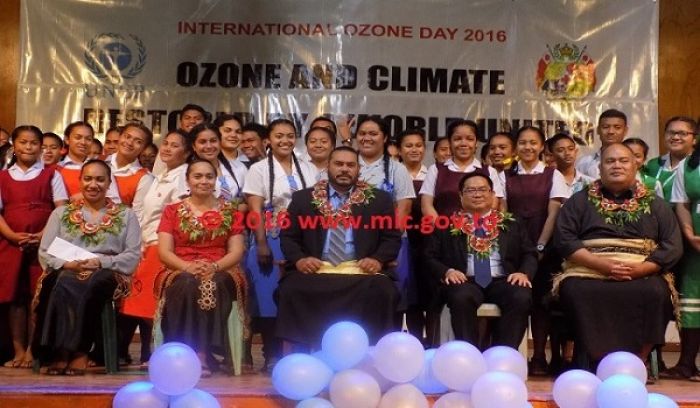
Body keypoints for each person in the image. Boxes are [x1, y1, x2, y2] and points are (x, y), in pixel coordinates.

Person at [554, 143, 682, 365]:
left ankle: (636, 361)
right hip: (589, 270)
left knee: (657, 292)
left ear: (635, 165)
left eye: (624, 161)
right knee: (575, 290)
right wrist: (601, 265)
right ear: (600, 168)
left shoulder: (656, 204)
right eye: (610, 161)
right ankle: (591, 359)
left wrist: (643, 269)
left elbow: (672, 245)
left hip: (641, 272)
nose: (617, 166)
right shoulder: (579, 201)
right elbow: (565, 240)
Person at [277, 147, 401, 346]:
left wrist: (377, 259)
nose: (344, 169)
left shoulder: (379, 200)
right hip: (316, 268)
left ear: (358, 170)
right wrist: (300, 259)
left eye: (350, 165)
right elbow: (288, 237)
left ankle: (372, 353)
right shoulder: (303, 198)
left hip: (360, 269)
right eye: (339, 164)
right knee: (291, 289)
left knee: (384, 290)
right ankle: (305, 351)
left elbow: (392, 238)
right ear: (328, 166)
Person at [34, 159, 141, 375]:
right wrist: (67, 264)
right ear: (80, 181)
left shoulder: (126, 215)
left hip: (108, 271)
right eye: (88, 179)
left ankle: (80, 351)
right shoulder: (61, 214)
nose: (94, 184)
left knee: (90, 281)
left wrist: (101, 262)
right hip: (67, 268)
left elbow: (132, 256)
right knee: (62, 280)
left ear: (109, 183)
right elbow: (45, 251)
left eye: (100, 180)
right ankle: (61, 352)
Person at [156, 159, 248, 376]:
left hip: (222, 268)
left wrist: (215, 266)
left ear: (216, 180)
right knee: (187, 284)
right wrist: (187, 266)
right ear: (188, 180)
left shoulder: (230, 210)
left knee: (215, 283)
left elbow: (236, 252)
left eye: (209, 176)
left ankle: (205, 352)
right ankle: (189, 351)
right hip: (180, 268)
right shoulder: (172, 210)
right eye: (197, 176)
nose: (204, 181)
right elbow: (165, 252)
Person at [425, 172, 536, 348]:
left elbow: (529, 253)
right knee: (461, 296)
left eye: (483, 189)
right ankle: (469, 354)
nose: (477, 194)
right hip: (465, 280)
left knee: (521, 295)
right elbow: (430, 256)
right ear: (461, 196)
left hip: (502, 279)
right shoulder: (446, 224)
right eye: (470, 190)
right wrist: (448, 271)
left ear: (492, 194)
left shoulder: (512, 223)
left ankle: (503, 354)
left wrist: (524, 273)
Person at [243, 118, 317, 371]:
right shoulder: (259, 169)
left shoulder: (308, 168)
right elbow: (254, 209)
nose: (285, 141)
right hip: (271, 235)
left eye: (290, 135)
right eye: (279, 136)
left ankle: (298, 350)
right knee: (267, 297)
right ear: (268, 140)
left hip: (304, 237)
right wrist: (261, 243)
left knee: (298, 294)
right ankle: (271, 351)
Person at [120, 130, 191, 367]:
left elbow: (179, 217)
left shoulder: (182, 177)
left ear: (187, 152)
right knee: (149, 305)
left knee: (159, 305)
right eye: (166, 144)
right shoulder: (161, 175)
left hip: (164, 246)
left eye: (175, 145)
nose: (168, 148)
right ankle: (153, 354)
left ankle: (163, 355)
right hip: (148, 244)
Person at [0, 126, 68, 369]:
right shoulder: (3, 177)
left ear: (41, 147)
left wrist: (42, 235)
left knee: (36, 297)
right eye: (23, 142)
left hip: (44, 244)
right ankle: (17, 349)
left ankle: (33, 349)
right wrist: (11, 235)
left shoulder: (52, 175)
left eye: (33, 143)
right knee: (15, 298)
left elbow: (61, 210)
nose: (28, 147)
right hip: (10, 243)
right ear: (14, 146)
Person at [505, 126, 570, 375]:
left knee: (542, 304)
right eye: (522, 143)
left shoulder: (552, 175)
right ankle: (514, 358)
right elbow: (502, 211)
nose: (528, 148)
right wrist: (519, 248)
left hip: (546, 247)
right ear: (516, 147)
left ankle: (540, 357)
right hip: (514, 248)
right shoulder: (506, 175)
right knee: (518, 300)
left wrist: (540, 246)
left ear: (542, 146)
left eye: (533, 143)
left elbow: (554, 211)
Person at [665, 133, 700, 382]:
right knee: (691, 305)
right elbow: (682, 204)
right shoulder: (688, 165)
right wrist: (689, 234)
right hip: (695, 247)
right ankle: (686, 364)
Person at [421, 119, 504, 219]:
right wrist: (441, 230)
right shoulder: (436, 170)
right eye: (457, 139)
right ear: (450, 142)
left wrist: (476, 229)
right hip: (442, 230)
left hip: (480, 231)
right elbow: (426, 205)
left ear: (476, 143)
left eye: (469, 139)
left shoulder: (490, 171)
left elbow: (494, 204)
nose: (463, 143)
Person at [57, 121, 120, 201]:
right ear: (67, 140)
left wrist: (84, 195)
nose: (83, 142)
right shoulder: (56, 169)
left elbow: (115, 200)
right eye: (78, 137)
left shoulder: (101, 168)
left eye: (88, 139)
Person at [188, 123, 247, 202]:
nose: (209, 146)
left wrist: (236, 207)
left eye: (213, 141)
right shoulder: (186, 171)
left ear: (220, 142)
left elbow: (248, 200)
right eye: (202, 142)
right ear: (194, 146)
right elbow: (185, 207)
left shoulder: (239, 167)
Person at [643, 116, 697, 202]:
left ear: (694, 139)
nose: (675, 137)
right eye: (670, 132)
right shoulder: (653, 164)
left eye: (682, 133)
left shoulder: (697, 166)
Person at [107, 123, 155, 207]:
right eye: (127, 136)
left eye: (138, 141)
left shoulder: (144, 178)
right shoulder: (98, 161)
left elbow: (137, 216)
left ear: (144, 148)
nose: (129, 143)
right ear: (120, 137)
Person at [576, 109, 629, 179]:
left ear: (625, 131)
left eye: (617, 127)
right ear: (598, 130)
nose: (611, 131)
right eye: (606, 127)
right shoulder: (584, 163)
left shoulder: (633, 162)